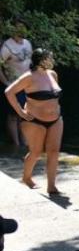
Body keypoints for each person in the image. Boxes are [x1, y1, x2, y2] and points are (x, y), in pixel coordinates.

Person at [3, 50, 62, 195]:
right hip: (34, 120)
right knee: (36, 152)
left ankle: (51, 186)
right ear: (41, 60)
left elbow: (54, 96)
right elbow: (9, 92)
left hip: (56, 119)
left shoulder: (52, 74)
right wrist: (20, 112)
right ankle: (26, 178)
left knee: (54, 152)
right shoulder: (29, 77)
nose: (52, 59)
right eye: (49, 57)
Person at [0, 24, 31, 149]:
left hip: (27, 84)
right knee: (13, 115)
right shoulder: (7, 46)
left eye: (24, 27)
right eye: (19, 28)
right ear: (13, 30)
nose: (22, 30)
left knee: (24, 113)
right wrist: (6, 82)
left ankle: (24, 142)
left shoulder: (28, 43)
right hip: (13, 84)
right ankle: (16, 144)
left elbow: (30, 62)